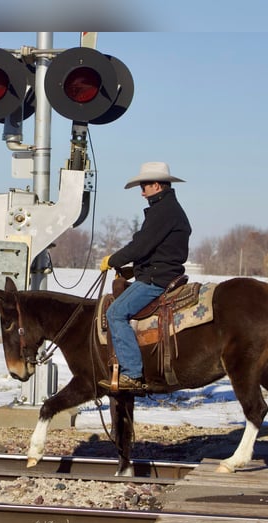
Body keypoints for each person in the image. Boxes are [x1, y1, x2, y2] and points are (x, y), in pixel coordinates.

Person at [98, 161, 191, 391]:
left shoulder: (163, 211)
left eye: (144, 186)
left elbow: (140, 246)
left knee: (115, 313)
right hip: (160, 272)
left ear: (157, 186)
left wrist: (113, 259)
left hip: (156, 279)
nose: (142, 192)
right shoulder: (168, 209)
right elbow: (153, 249)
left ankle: (132, 374)